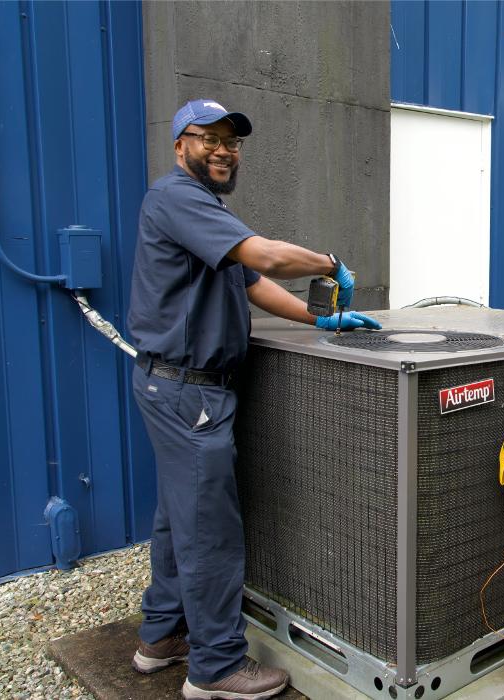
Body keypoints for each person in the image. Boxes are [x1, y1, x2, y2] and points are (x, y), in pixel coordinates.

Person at [127, 99, 380, 700]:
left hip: (181, 388)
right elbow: (265, 256)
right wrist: (330, 263)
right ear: (179, 145)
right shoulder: (176, 198)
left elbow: (255, 283)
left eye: (232, 142)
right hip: (189, 392)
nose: (223, 150)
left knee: (179, 518)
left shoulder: (206, 212)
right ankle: (215, 668)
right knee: (209, 530)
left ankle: (162, 635)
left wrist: (322, 320)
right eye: (208, 139)